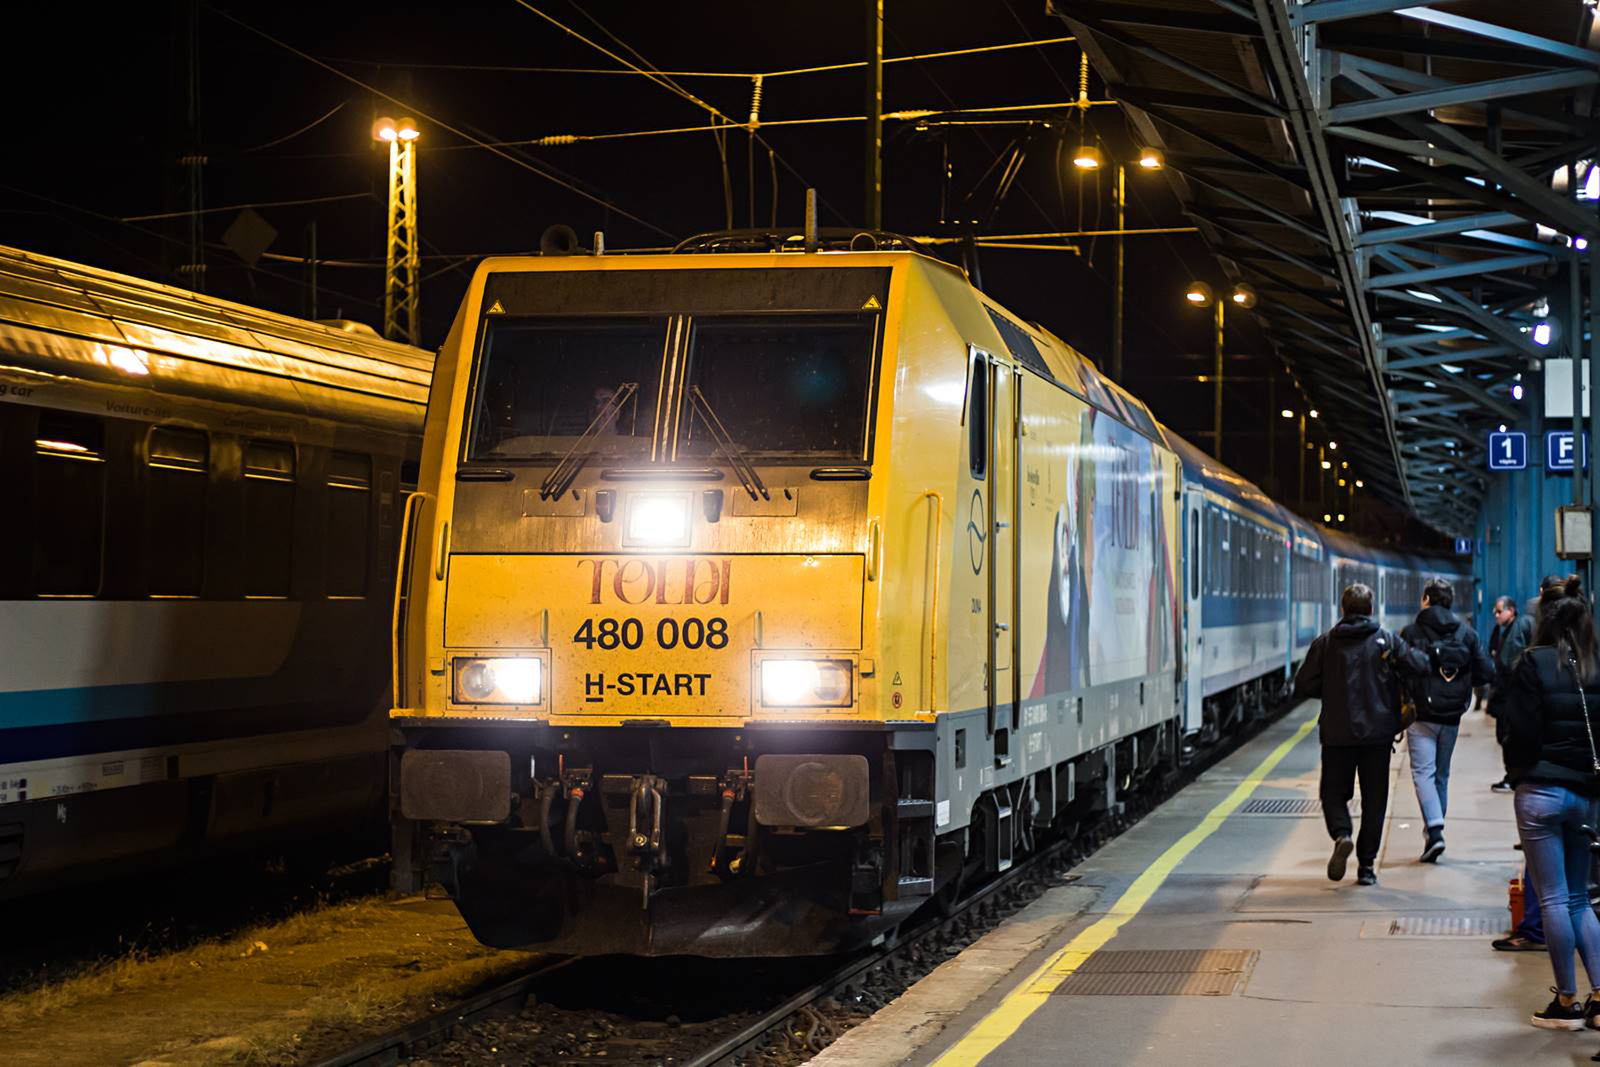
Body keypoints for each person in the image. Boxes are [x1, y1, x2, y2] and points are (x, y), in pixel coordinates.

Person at [1503, 575, 1600, 1029]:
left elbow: (1518, 733)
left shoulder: (1532, 663)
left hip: (1540, 792)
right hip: (1584, 795)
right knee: (1581, 899)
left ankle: (1567, 1003)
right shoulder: (1595, 665)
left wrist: (1522, 768)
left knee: (1555, 898)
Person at [1293, 582, 1428, 887]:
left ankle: (1342, 834)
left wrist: (1330, 690)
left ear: (1343, 609)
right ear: (1370, 609)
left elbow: (1303, 683)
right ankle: (1366, 867)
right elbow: (1419, 665)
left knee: (1332, 794)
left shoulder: (1327, 642)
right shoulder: (1385, 640)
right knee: (1375, 801)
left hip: (1337, 735)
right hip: (1377, 736)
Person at [1400, 578, 1495, 861]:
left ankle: (1435, 830)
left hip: (1422, 716)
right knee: (1441, 776)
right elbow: (1486, 673)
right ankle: (1433, 835)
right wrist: (1463, 683)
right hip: (1452, 716)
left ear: (1427, 599)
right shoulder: (1466, 635)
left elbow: (1399, 670)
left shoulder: (1411, 632)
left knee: (1422, 774)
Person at [1489, 595, 1536, 793]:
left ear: (1511, 610)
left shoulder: (1519, 627)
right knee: (1505, 735)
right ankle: (1514, 775)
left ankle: (1513, 776)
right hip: (1506, 693)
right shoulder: (1502, 631)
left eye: (1500, 611)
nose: (1497, 616)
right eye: (1495, 612)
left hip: (1511, 693)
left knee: (1508, 736)